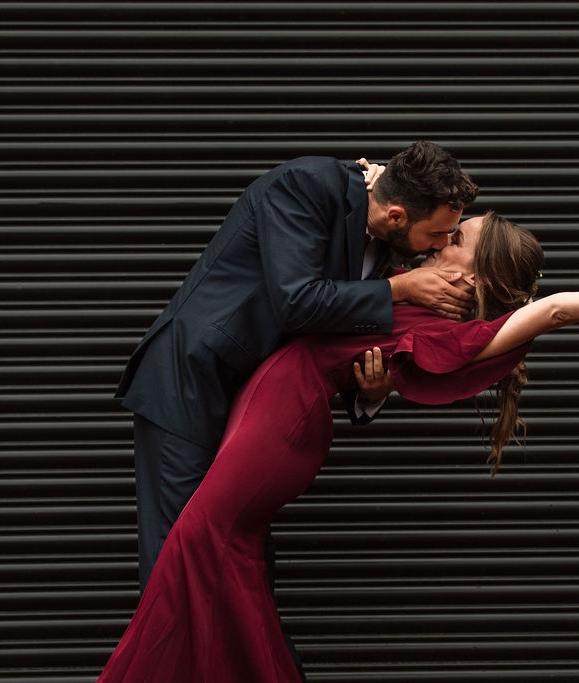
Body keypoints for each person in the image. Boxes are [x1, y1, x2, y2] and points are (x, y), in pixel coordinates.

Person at [97, 211, 579, 682]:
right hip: (270, 411)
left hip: (280, 424)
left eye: (456, 240)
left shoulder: (472, 331)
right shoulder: (411, 288)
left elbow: (553, 310)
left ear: (473, 274)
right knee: (225, 561)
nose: (440, 241)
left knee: (198, 546)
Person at [115, 140, 480, 591]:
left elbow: (339, 328)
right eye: (439, 235)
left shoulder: (386, 231)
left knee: (241, 559)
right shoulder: (305, 185)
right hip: (190, 384)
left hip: (253, 410)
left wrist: (369, 392)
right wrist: (399, 289)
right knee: (180, 558)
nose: (441, 245)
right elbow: (298, 302)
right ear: (396, 216)